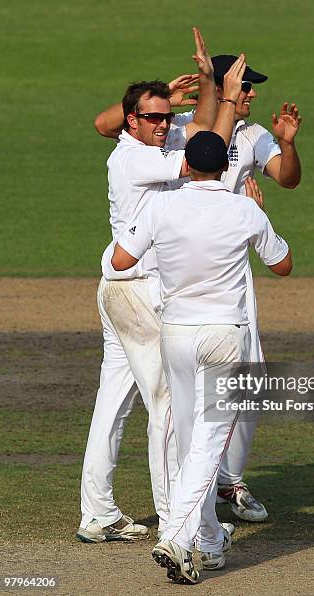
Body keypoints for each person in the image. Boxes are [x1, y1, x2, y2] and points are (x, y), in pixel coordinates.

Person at [94, 53, 302, 523]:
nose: (251, 95)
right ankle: (185, 516)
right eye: (244, 88)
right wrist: (179, 99)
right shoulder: (183, 122)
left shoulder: (251, 135)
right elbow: (107, 124)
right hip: (171, 268)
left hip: (216, 262)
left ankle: (225, 483)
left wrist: (287, 146)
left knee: (242, 379)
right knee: (176, 403)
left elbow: (287, 178)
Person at [77, 27, 245, 543]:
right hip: (139, 290)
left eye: (165, 117)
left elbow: (197, 129)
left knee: (113, 402)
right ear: (132, 121)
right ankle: (177, 519)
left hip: (120, 287)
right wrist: (225, 100)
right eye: (152, 117)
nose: (163, 124)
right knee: (167, 406)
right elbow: (207, 153)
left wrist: (206, 87)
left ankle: (97, 513)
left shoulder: (160, 135)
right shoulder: (135, 156)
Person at [111, 130, 292, 584]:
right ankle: (176, 534)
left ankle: (209, 545)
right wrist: (257, 220)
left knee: (190, 440)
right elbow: (283, 264)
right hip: (222, 335)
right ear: (225, 168)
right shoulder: (243, 208)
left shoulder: (159, 206)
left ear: (186, 164)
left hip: (176, 334)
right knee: (209, 445)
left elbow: (120, 260)